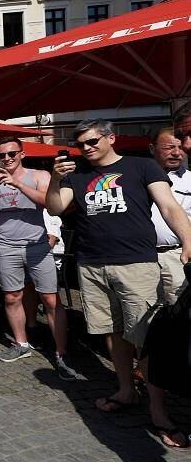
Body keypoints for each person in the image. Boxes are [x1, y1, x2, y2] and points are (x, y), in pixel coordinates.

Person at [47, 119, 191, 448]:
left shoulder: (141, 166)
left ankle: (158, 410)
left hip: (136, 264)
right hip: (92, 264)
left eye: (92, 141)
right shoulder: (76, 175)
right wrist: (55, 178)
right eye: (81, 144)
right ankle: (126, 391)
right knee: (112, 332)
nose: (86, 148)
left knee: (146, 340)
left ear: (111, 138)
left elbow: (169, 206)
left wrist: (188, 240)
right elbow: (54, 207)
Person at [0, 138, 77, 378]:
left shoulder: (38, 175)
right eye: (2, 155)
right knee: (12, 297)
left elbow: (51, 204)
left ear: (22, 154)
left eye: (12, 154)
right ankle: (21, 344)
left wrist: (18, 184)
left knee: (50, 300)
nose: (7, 159)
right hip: (6, 247)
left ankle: (61, 353)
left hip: (37, 246)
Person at [149, 127, 191, 304]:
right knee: (147, 310)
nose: (176, 153)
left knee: (180, 307)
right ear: (152, 148)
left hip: (179, 255)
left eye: (181, 147)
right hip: (142, 257)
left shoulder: (190, 179)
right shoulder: (137, 177)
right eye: (169, 147)